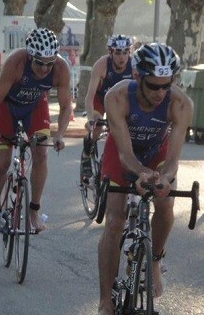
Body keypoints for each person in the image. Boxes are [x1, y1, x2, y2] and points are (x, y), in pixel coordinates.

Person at [97, 43, 193, 315]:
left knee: (165, 203)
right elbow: (126, 155)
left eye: (167, 85)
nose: (161, 92)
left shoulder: (181, 103)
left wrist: (164, 178)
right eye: (153, 86)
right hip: (122, 151)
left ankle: (154, 261)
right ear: (137, 77)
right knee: (115, 221)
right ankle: (105, 300)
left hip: (157, 152)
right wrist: (139, 173)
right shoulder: (117, 97)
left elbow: (173, 159)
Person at [0, 28, 72, 240]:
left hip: (34, 107)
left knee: (41, 153)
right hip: (7, 107)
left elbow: (66, 106)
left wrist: (59, 134)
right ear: (30, 56)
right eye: (39, 62)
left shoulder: (60, 68)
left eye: (49, 63)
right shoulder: (16, 63)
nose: (45, 68)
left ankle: (34, 210)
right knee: (2, 163)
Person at [80, 34, 134, 179]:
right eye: (117, 53)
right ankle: (86, 154)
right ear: (110, 52)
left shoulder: (134, 65)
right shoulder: (101, 65)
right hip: (101, 99)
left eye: (125, 52)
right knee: (97, 127)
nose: (122, 57)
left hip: (121, 102)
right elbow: (90, 96)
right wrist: (91, 119)